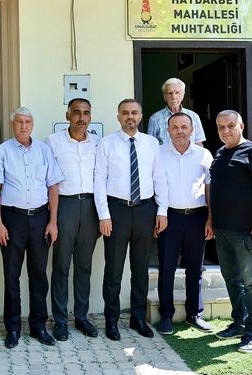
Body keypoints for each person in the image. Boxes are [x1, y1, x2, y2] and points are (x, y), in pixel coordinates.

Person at [0, 107, 64, 349]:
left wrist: (53, 222)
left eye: (28, 121)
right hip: (12, 220)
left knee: (39, 276)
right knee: (12, 276)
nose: (23, 126)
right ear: (13, 125)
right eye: (19, 122)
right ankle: (13, 329)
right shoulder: (2, 151)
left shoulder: (44, 150)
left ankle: (38, 326)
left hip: (41, 219)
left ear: (33, 124)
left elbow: (53, 187)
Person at [94, 99, 168, 341]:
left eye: (134, 113)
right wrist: (104, 215)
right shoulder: (106, 144)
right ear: (118, 117)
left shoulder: (151, 143)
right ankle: (112, 321)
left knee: (140, 269)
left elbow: (159, 178)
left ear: (141, 116)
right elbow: (99, 182)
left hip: (145, 209)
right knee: (114, 269)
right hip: (117, 211)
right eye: (125, 113)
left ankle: (138, 318)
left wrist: (162, 211)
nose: (130, 117)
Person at [209, 110, 252, 353]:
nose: (225, 131)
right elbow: (216, 191)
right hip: (223, 231)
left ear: (241, 125)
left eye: (230, 125)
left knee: (251, 283)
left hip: (246, 232)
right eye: (221, 127)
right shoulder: (219, 154)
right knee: (231, 278)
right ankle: (238, 322)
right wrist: (212, 221)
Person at [45, 98, 100, 341]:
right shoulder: (52, 142)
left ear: (90, 117)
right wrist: (53, 219)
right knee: (61, 265)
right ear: (67, 115)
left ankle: (81, 317)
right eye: (76, 112)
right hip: (64, 205)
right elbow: (50, 181)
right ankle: (59, 320)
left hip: (90, 206)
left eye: (86, 113)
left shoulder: (99, 143)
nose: (81, 117)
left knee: (84, 265)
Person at [156, 113, 214, 336]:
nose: (179, 131)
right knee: (167, 267)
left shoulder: (203, 154)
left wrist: (211, 218)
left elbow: (209, 188)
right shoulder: (159, 154)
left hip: (197, 217)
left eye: (184, 127)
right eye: (175, 127)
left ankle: (194, 314)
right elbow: (155, 186)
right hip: (169, 217)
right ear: (168, 130)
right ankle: (166, 315)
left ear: (192, 130)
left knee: (194, 268)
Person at [147, 78, 206, 146]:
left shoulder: (193, 116)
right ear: (164, 96)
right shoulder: (155, 118)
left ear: (183, 95)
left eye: (177, 93)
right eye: (170, 93)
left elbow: (198, 143)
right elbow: (150, 145)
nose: (173, 97)